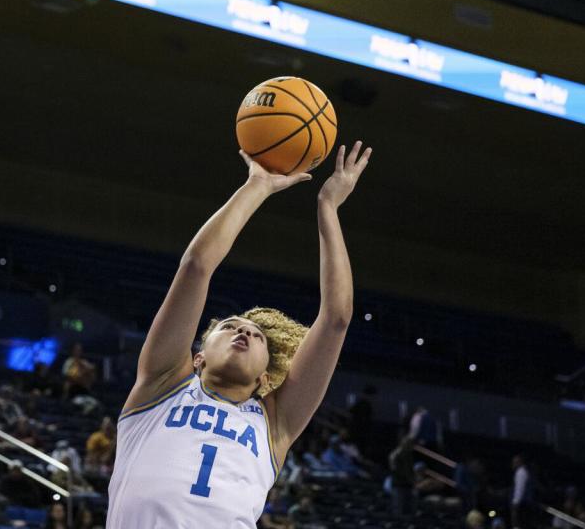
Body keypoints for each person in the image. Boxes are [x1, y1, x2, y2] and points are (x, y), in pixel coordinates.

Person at [106, 142, 371, 528]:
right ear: (198, 357)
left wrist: (327, 208)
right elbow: (197, 266)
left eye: (256, 336)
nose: (243, 332)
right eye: (229, 326)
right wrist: (258, 185)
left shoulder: (274, 425)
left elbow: (336, 319)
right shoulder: (161, 385)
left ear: (265, 378)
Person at [388, 435, 415, 516]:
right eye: (408, 443)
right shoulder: (395, 455)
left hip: (408, 484)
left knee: (408, 508)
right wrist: (409, 477)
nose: (410, 446)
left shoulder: (409, 455)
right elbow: (395, 469)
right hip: (398, 484)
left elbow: (410, 469)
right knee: (398, 507)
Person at [510, 454, 532, 529]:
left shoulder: (521, 472)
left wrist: (515, 503)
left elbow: (519, 490)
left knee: (519, 524)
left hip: (522, 504)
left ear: (520, 462)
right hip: (523, 504)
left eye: (515, 462)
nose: (513, 464)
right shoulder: (522, 472)